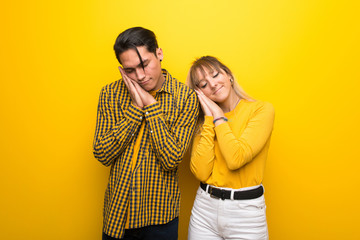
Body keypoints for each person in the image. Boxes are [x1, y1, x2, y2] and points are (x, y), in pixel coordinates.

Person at [93, 27, 199, 240]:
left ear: (159, 54)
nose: (140, 76)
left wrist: (150, 106)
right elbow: (102, 154)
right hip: (116, 215)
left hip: (159, 218)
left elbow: (172, 159)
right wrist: (134, 109)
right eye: (130, 70)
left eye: (144, 64)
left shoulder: (185, 98)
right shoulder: (110, 94)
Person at [186, 56, 275, 240]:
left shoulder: (261, 110)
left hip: (246, 215)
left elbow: (236, 158)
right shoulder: (203, 123)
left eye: (215, 74)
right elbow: (201, 173)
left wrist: (219, 117)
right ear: (200, 93)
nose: (212, 84)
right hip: (204, 211)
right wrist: (210, 119)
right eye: (203, 84)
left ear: (229, 75)